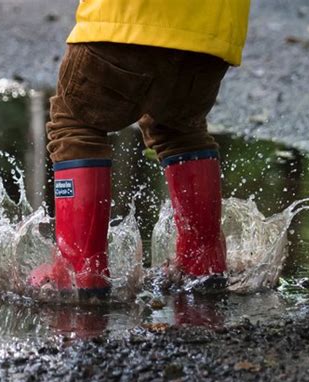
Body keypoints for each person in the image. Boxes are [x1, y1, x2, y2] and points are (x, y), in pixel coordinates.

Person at [32, 0, 250, 297]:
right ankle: (203, 262)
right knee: (179, 130)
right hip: (211, 36)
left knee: (75, 123)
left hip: (128, 19)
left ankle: (78, 271)